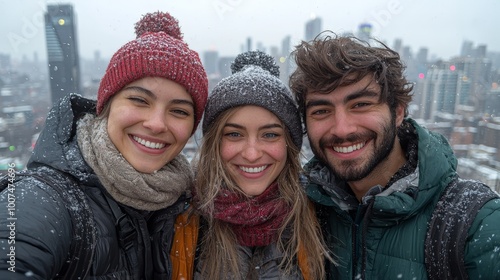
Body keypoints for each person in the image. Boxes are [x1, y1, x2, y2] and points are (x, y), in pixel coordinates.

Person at [0, 11, 208, 279]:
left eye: (179, 111)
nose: (157, 124)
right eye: (139, 100)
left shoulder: (184, 204)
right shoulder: (45, 199)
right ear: (106, 108)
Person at [288, 32, 500, 279]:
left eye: (360, 105)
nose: (342, 129)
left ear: (398, 112)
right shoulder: (303, 212)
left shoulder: (474, 224)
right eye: (322, 110)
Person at [188, 50, 331, 279]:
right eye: (234, 134)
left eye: (270, 135)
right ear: (214, 142)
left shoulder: (321, 215)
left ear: (289, 144)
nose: (252, 154)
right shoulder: (184, 220)